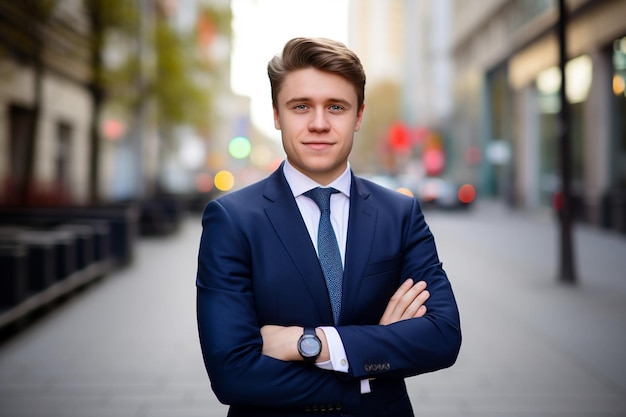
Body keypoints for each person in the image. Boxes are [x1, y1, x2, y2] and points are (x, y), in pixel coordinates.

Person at [196, 37, 461, 417]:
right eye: (300, 106)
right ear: (276, 115)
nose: (319, 124)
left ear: (358, 116)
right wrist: (372, 368)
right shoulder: (232, 219)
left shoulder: (399, 213)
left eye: (335, 107)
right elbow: (232, 373)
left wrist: (311, 343)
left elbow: (442, 337)